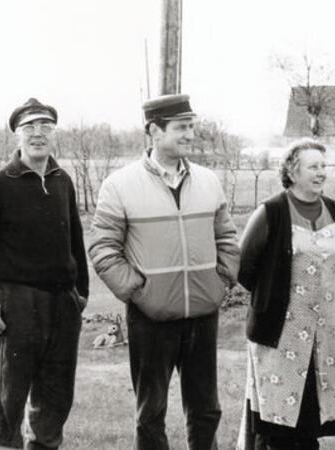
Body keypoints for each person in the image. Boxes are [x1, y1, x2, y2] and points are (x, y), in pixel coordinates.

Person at [88, 93, 240, 450]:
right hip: (149, 318)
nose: (190, 134)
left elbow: (227, 236)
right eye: (181, 128)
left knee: (206, 410)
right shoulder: (119, 185)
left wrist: (221, 281)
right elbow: (103, 248)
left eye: (192, 127)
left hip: (203, 313)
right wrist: (140, 292)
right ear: (154, 131)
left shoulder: (208, 181)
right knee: (150, 413)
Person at [0, 98, 89, 450]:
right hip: (18, 304)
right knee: (9, 403)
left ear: (54, 134)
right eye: (29, 127)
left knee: (55, 401)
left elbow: (76, 240)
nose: (38, 133)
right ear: (17, 135)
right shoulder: (0, 183)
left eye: (45, 126)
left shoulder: (63, 180)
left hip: (62, 305)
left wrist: (81, 294)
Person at [235, 139, 335, 450]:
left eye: (324, 166)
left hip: (322, 335)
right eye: (313, 166)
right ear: (292, 171)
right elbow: (244, 268)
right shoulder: (271, 211)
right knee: (275, 424)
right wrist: (272, 301)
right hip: (280, 335)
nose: (321, 172)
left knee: (310, 419)